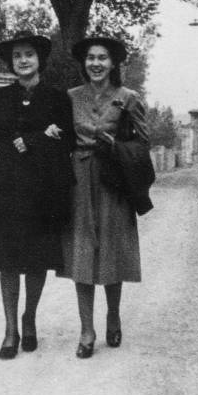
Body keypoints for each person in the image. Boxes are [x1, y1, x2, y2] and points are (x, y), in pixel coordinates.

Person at [0, 31, 75, 360]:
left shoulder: (57, 99)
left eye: (29, 54)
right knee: (6, 260)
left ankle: (29, 319)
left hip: (43, 189)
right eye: (17, 56)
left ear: (39, 59)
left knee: (35, 260)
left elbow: (69, 140)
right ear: (11, 62)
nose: (23, 60)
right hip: (5, 186)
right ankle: (10, 330)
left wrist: (35, 139)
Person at [61, 36, 150, 359]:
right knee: (82, 251)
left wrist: (117, 146)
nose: (95, 63)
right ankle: (87, 329)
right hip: (79, 179)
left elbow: (143, 144)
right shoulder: (70, 97)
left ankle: (113, 315)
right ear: (84, 63)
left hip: (114, 180)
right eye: (90, 58)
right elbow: (60, 136)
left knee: (112, 249)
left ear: (113, 64)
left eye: (102, 58)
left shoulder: (128, 98)